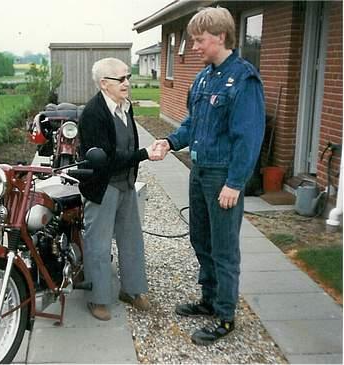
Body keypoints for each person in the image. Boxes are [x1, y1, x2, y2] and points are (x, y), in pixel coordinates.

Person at [152, 6, 265, 345]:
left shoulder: (243, 79)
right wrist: (169, 142)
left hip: (222, 176)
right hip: (199, 171)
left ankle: (226, 316)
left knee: (224, 248)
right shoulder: (203, 77)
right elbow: (191, 124)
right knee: (201, 239)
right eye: (192, 41)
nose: (194, 47)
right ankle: (209, 300)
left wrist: (235, 182)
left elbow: (249, 137)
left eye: (199, 40)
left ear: (220, 36)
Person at [78, 57, 159, 321]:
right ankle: (98, 298)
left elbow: (127, 142)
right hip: (102, 187)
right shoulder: (93, 114)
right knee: (99, 245)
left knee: (132, 239)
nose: (127, 83)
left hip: (125, 184)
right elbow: (107, 160)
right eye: (121, 79)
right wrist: (144, 154)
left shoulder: (125, 107)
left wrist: (134, 164)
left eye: (128, 77)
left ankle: (132, 290)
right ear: (104, 83)